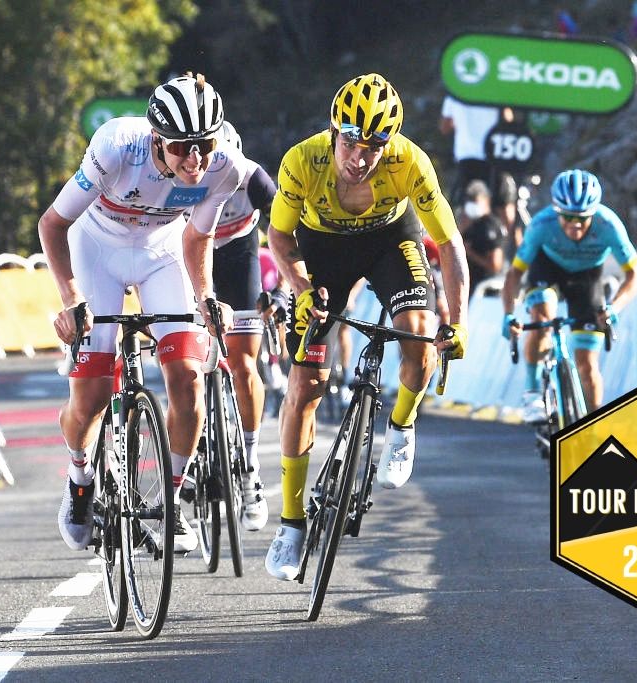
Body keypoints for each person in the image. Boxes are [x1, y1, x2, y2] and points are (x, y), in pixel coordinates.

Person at [264, 73, 470, 580]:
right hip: (320, 248)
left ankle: (401, 425)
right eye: (351, 142)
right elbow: (279, 235)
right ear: (334, 131)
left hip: (389, 241)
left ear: (389, 143)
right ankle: (291, 524)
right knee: (305, 386)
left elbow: (449, 246)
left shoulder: (409, 163)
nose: (359, 158)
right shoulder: (302, 161)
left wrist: (456, 321)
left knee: (420, 343)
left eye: (374, 147)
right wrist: (301, 287)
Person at [39, 73, 244, 555]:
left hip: (162, 253)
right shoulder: (116, 146)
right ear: (156, 139)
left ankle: (169, 504)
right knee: (89, 398)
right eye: (181, 148)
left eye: (205, 144)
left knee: (188, 378)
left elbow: (197, 237)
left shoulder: (225, 168)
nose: (195, 159)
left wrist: (206, 295)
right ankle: (79, 477)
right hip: (97, 249)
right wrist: (70, 299)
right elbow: (53, 224)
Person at [501, 169, 637, 419]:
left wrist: (614, 308)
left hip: (586, 278)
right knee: (542, 315)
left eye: (583, 218)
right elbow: (514, 274)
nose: (575, 225)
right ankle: (533, 389)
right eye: (567, 217)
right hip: (548, 269)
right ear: (557, 211)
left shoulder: (608, 224)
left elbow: (635, 274)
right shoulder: (541, 225)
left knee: (587, 365)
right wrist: (508, 314)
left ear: (594, 214)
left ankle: (592, 428)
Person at [206, 120, 276, 531]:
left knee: (244, 364)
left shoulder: (253, 180)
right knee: (187, 362)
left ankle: (249, 466)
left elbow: (288, 231)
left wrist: (282, 290)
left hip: (239, 256)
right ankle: (193, 447)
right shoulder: (186, 178)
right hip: (190, 255)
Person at [439, 95, 500, 206]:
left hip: (467, 155)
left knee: (468, 205)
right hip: (491, 155)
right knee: (493, 203)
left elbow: (445, 127)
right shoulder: (496, 88)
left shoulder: (455, 91)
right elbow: (508, 118)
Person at [461, 180, 509, 297]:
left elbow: (495, 266)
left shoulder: (491, 226)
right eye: (469, 200)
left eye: (474, 200)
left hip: (486, 289)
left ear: (486, 200)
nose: (471, 204)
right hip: (468, 284)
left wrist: (470, 253)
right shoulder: (468, 223)